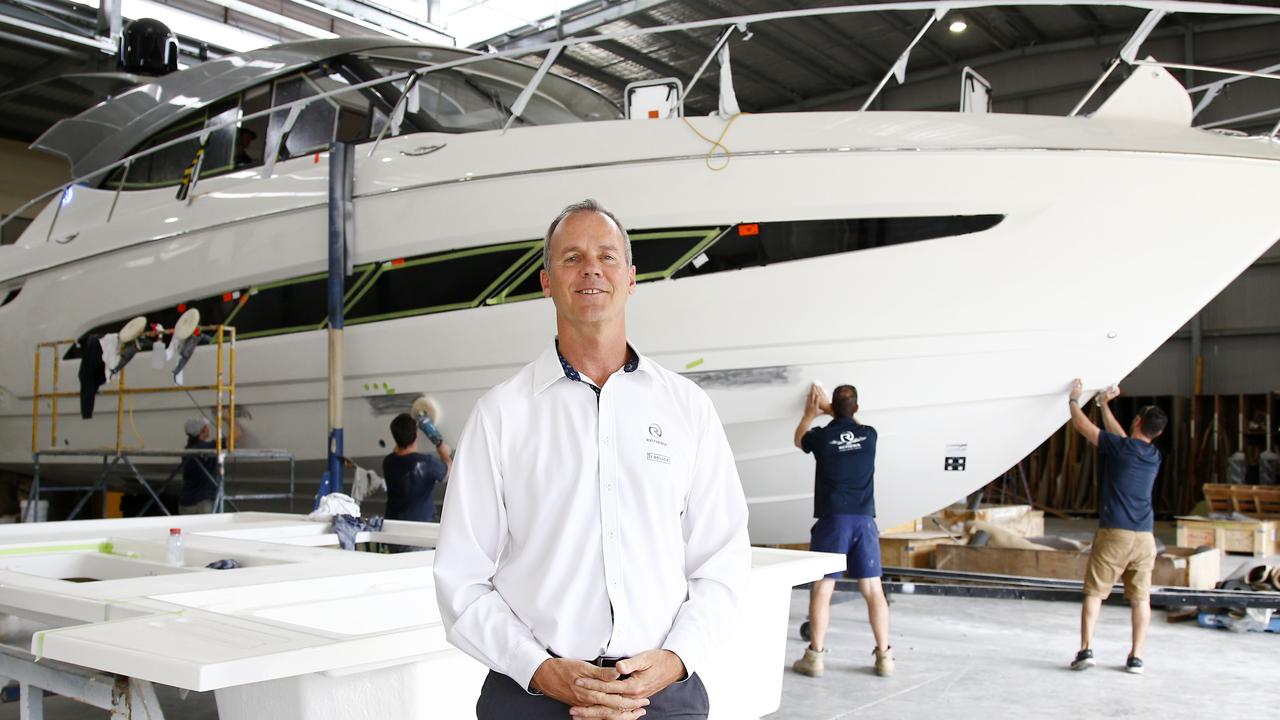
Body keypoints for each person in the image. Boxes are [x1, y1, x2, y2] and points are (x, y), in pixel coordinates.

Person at [434, 199, 750, 720]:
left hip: (663, 693)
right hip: (533, 695)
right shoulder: (501, 415)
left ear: (631, 278)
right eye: (572, 257)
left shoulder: (686, 407)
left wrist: (676, 658)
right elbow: (460, 575)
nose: (591, 270)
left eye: (606, 256)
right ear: (545, 281)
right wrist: (538, 668)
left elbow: (723, 557)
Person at [791, 383, 893, 678]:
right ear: (857, 409)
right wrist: (834, 411)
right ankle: (884, 656)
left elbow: (799, 440)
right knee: (873, 589)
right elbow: (855, 428)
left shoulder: (821, 438)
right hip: (864, 521)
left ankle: (815, 657)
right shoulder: (869, 435)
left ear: (832, 408)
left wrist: (811, 414)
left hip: (833, 521)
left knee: (823, 587)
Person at [1066, 379, 1166, 675]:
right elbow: (1123, 439)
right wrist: (1103, 405)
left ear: (1137, 420)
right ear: (1157, 432)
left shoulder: (1122, 449)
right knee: (1140, 599)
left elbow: (1084, 428)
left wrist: (1074, 401)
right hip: (1145, 538)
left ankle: (1086, 650)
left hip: (1116, 534)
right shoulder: (1152, 456)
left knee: (1095, 593)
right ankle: (1136, 658)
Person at [382, 412, 451, 524]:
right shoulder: (427, 463)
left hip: (395, 523)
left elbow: (397, 450)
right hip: (423, 523)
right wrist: (444, 453)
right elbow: (448, 474)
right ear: (416, 435)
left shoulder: (388, 462)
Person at [179, 416, 239, 514]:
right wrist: (228, 418)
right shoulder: (208, 447)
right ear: (202, 431)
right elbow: (237, 434)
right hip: (203, 503)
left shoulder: (186, 450)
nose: (208, 427)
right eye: (206, 426)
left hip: (185, 504)